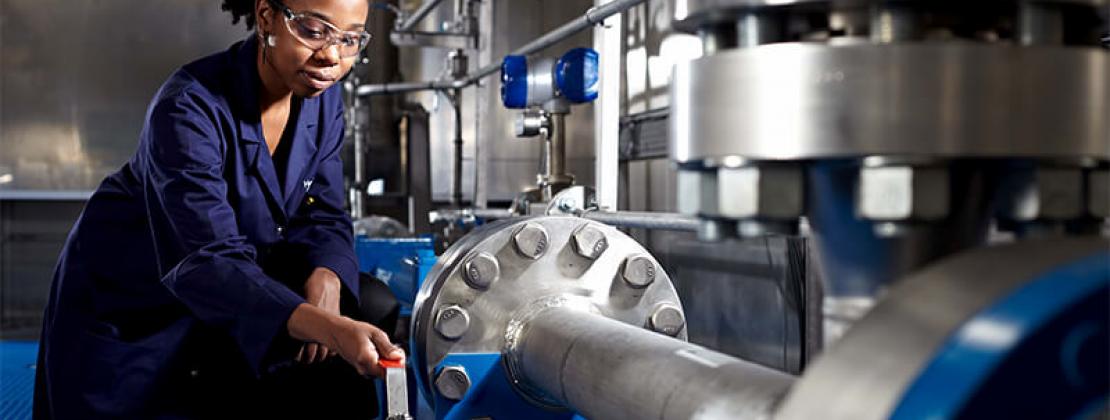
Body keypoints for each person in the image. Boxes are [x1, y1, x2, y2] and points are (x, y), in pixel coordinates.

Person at [32, 0, 404, 417]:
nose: (332, 56)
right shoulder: (188, 106)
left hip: (233, 289)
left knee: (367, 302)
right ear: (266, 17)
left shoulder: (321, 98)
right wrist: (327, 328)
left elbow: (323, 210)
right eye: (315, 31)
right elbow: (205, 259)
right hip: (136, 299)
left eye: (350, 39)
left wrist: (328, 275)